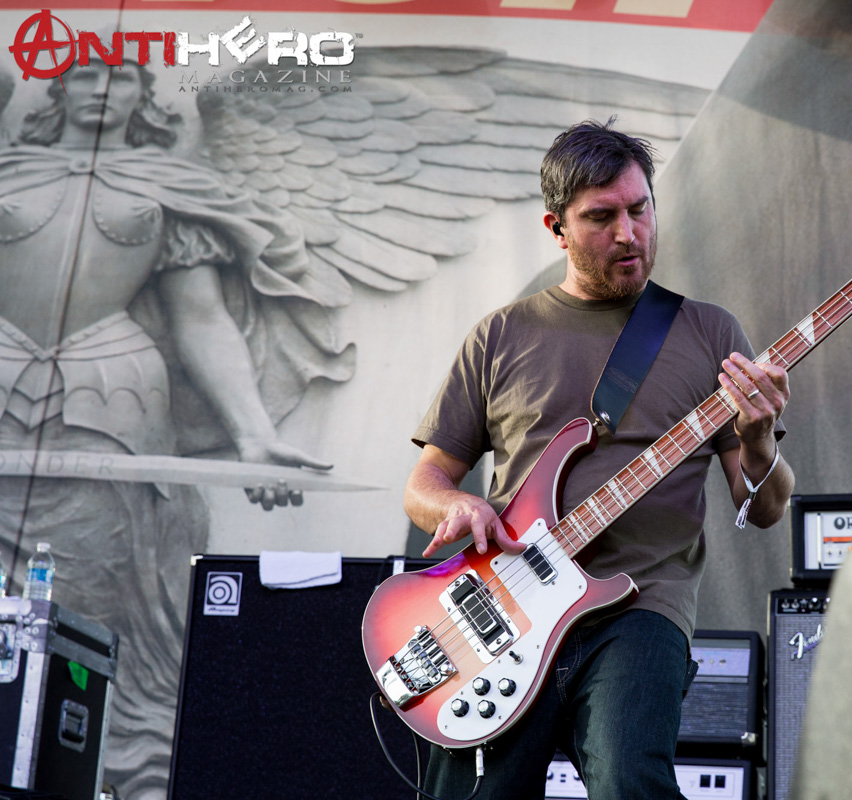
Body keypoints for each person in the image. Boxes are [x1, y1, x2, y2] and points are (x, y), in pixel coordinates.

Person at [404, 118, 795, 799]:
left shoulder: (709, 332)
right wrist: (458, 503)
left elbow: (762, 508)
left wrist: (759, 439)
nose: (628, 233)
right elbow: (424, 482)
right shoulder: (501, 336)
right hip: (510, 607)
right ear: (556, 228)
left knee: (628, 778)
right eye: (601, 217)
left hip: (641, 605)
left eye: (640, 210)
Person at [0, 57, 345, 798]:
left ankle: (113, 769)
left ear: (143, 97)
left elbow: (201, 320)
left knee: (91, 603)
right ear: (58, 90)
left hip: (110, 401)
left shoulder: (169, 188)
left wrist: (252, 435)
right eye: (84, 77)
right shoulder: (8, 171)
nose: (102, 91)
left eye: (121, 79)